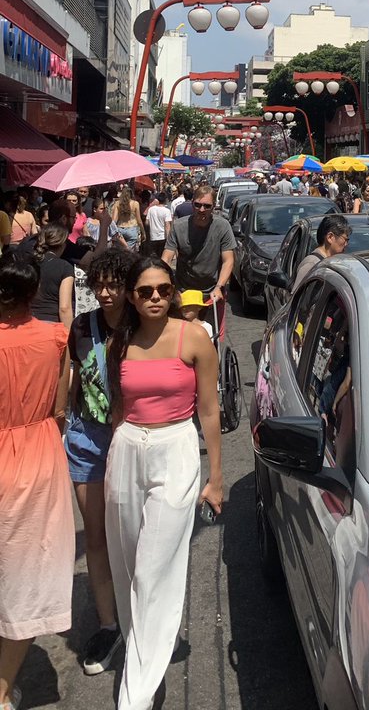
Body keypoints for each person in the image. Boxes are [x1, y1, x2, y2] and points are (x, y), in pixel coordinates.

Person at [105, 259, 222, 710]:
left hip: (176, 448)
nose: (154, 296)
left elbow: (209, 410)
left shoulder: (192, 336)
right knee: (131, 563)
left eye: (162, 289)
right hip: (129, 447)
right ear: (132, 296)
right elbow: (119, 405)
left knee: (155, 568)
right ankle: (152, 639)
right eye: (144, 290)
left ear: (172, 292)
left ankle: (135, 694)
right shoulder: (122, 340)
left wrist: (216, 476)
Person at [0, 252, 74, 710]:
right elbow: (61, 408)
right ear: (34, 294)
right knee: (28, 575)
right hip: (39, 452)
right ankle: (2, 687)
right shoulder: (55, 337)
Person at [64, 249, 136, 676]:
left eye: (114, 284)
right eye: (99, 285)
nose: (106, 293)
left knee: (132, 533)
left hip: (131, 442)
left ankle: (139, 615)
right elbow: (71, 373)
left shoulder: (144, 326)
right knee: (95, 537)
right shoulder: (82, 326)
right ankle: (109, 625)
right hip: (87, 440)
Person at [162, 183, 235, 302]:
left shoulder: (222, 226)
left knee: (211, 321)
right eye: (197, 205)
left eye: (207, 206)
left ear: (213, 207)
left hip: (212, 291)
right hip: (184, 290)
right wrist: (165, 283)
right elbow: (167, 257)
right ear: (192, 204)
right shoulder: (179, 226)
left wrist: (219, 287)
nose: (201, 210)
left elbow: (228, 260)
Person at [31, 225, 75, 331]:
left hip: (27, 323)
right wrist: (69, 339)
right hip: (51, 325)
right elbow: (64, 308)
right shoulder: (65, 267)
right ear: (63, 243)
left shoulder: (29, 263)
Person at [291, 214, 351, 291]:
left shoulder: (337, 262)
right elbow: (297, 298)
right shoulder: (311, 264)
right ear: (330, 237)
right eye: (345, 239)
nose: (346, 244)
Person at [111, 186, 145, 252]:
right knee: (130, 253)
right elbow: (139, 220)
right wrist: (143, 232)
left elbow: (114, 220)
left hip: (120, 229)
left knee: (120, 252)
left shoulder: (117, 203)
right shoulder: (135, 203)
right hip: (132, 229)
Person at [145, 190, 172, 257]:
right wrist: (168, 238)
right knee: (161, 255)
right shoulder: (167, 211)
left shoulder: (151, 209)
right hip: (162, 237)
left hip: (152, 236)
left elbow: (147, 222)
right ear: (165, 200)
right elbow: (167, 225)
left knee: (153, 255)